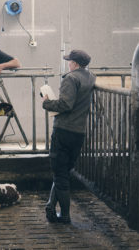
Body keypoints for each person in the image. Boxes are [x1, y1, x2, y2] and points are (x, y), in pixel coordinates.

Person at [42, 50, 96, 223]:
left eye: (70, 61)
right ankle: (50, 205)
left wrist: (47, 103)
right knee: (63, 172)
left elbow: (65, 104)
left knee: (59, 174)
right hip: (79, 132)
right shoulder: (91, 77)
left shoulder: (71, 79)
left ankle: (64, 215)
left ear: (75, 63)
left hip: (64, 131)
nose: (68, 64)